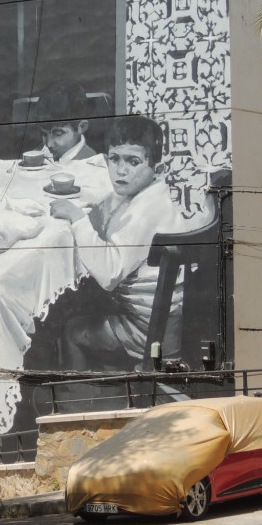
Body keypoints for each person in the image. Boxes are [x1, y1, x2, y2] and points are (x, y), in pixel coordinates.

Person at [48, 114, 185, 369]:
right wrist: (87, 205)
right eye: (114, 159)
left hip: (148, 328)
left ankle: (76, 395)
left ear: (157, 167)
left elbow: (109, 274)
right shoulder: (146, 191)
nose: (120, 170)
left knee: (71, 329)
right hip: (156, 312)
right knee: (75, 301)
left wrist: (78, 219)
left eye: (133, 161)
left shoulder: (146, 211)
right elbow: (113, 205)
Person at [33, 81, 99, 162]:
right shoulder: (39, 151)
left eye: (58, 134)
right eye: (44, 134)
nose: (49, 144)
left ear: (82, 127)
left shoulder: (91, 161)